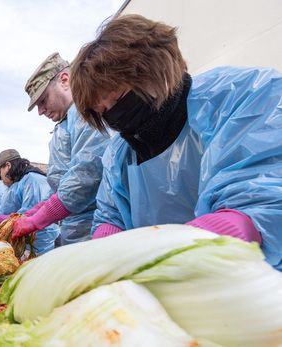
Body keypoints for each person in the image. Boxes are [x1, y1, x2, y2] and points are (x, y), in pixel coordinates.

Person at [68, 14, 281, 270]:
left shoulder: (240, 98)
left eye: (118, 98)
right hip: (171, 284)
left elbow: (263, 196)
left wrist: (206, 239)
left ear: (157, 69)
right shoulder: (119, 154)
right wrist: (107, 248)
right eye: (102, 111)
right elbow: (111, 212)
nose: (114, 115)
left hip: (255, 279)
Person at [12, 53, 109, 246]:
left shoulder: (85, 113)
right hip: (75, 230)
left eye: (43, 100)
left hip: (95, 229)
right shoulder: (65, 125)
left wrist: (39, 219)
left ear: (64, 80)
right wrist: (30, 213)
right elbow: (62, 186)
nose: (40, 111)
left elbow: (86, 175)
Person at [0, 150, 59, 254]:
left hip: (36, 248)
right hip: (20, 246)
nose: (1, 179)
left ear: (8, 165)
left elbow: (33, 216)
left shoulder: (33, 181)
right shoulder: (18, 183)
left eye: (0, 172)